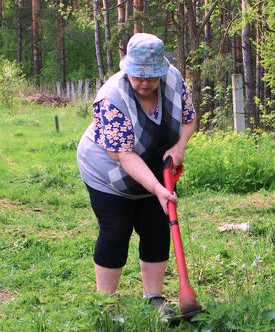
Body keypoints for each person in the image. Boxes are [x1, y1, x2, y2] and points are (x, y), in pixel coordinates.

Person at [76, 33, 196, 314]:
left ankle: (154, 299)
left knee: (156, 227)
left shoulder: (174, 80)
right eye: (137, 76)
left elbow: (189, 120)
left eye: (150, 77)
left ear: (161, 71)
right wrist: (156, 188)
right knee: (116, 229)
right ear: (127, 69)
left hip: (153, 164)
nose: (143, 83)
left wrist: (180, 147)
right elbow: (123, 155)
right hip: (106, 171)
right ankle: (105, 303)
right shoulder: (111, 97)